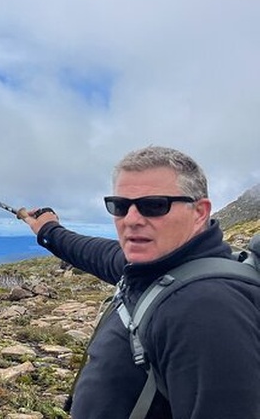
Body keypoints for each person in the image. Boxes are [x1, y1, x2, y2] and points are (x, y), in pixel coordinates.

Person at [21, 146, 260, 418]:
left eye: (154, 205)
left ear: (200, 212)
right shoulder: (154, 269)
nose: (132, 220)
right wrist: (49, 230)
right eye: (120, 206)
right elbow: (97, 253)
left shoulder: (207, 309)